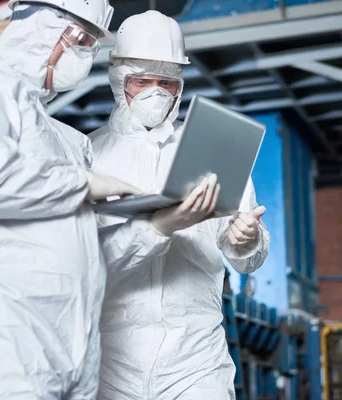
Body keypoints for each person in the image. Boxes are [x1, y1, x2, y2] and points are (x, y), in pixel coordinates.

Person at [0, 1, 140, 398]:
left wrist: (158, 223)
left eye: (92, 47)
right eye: (80, 40)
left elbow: (86, 242)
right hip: (3, 337)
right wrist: (85, 185)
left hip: (76, 341)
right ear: (40, 25)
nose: (84, 56)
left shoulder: (68, 140)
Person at [90, 11, 270, 400]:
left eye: (167, 82)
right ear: (119, 80)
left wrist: (246, 242)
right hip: (110, 357)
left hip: (195, 357)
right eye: (143, 81)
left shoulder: (214, 150)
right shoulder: (88, 156)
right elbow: (80, 261)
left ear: (180, 85)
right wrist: (159, 225)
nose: (156, 93)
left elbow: (246, 258)